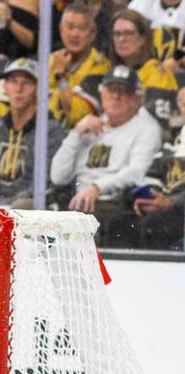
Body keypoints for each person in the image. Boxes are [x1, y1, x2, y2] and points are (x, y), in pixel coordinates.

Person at [50, 63, 162, 245]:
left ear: (136, 98)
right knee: (25, 209)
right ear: (102, 94)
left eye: (124, 91)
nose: (116, 97)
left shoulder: (146, 128)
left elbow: (137, 171)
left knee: (82, 228)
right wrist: (76, 133)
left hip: (113, 204)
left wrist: (97, 187)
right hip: (76, 204)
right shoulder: (91, 125)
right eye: (111, 90)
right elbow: (57, 177)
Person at [0, 58, 68, 208]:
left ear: (38, 89)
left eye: (26, 83)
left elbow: (42, 182)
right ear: (5, 87)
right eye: (13, 81)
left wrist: (0, 207)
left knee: (23, 204)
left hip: (27, 210)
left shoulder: (51, 131)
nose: (19, 89)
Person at [109, 8, 179, 137]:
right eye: (117, 34)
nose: (121, 39)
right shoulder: (110, 73)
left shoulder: (158, 73)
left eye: (128, 33)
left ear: (142, 39)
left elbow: (156, 124)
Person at [132, 84, 185, 248]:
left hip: (178, 208)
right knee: (130, 219)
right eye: (183, 102)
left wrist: (172, 202)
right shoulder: (173, 144)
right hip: (168, 208)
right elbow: (153, 173)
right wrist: (151, 196)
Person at [50, 2, 113, 129]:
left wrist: (60, 76)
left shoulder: (101, 68)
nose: (74, 34)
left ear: (93, 33)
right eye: (70, 27)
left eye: (82, 28)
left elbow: (75, 115)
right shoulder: (50, 60)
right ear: (61, 30)